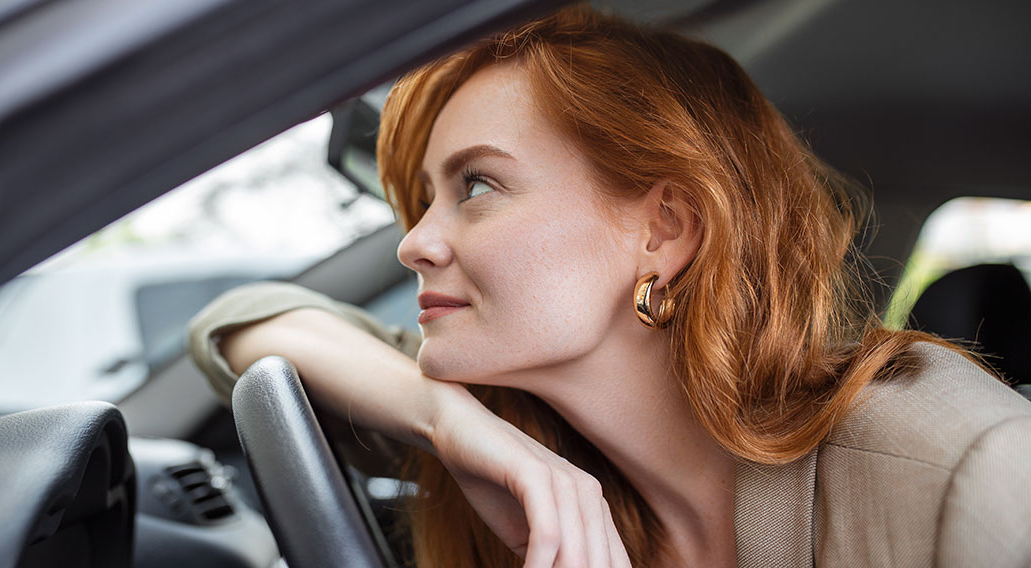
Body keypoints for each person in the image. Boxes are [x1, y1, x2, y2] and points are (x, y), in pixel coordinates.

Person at [189, 6, 1031, 567]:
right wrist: (446, 423)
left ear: (662, 231)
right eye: (423, 200)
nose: (413, 243)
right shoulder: (512, 428)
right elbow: (238, 326)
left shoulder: (958, 467)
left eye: (477, 185)